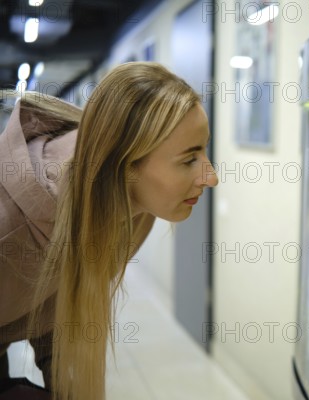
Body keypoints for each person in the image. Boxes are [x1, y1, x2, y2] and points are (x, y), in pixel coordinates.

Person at [0, 62, 218, 399]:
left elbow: (63, 312)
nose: (211, 176)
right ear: (126, 164)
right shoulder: (7, 229)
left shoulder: (133, 204)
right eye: (189, 159)